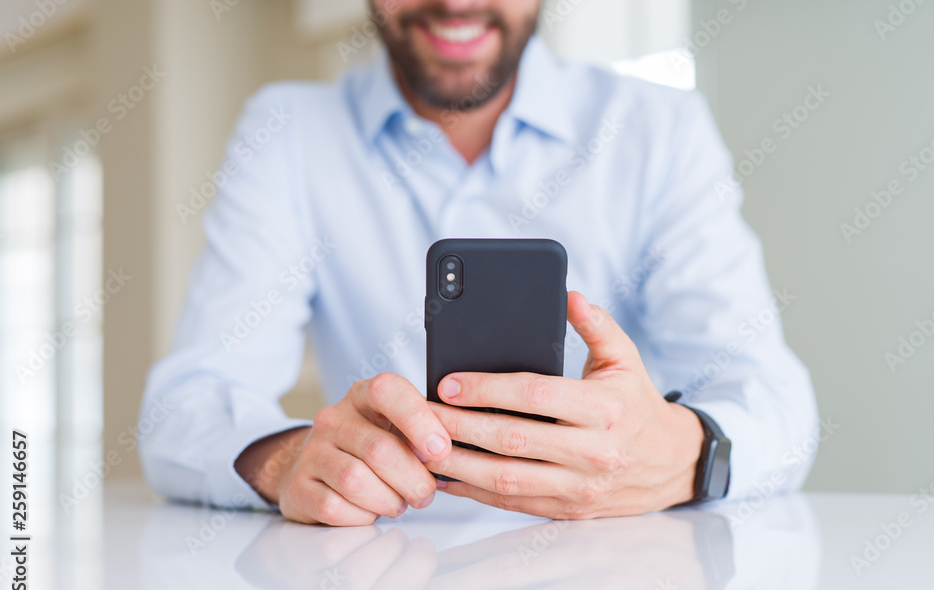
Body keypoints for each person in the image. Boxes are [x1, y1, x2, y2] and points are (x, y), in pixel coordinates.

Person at [138, 0, 818, 526]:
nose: (456, 2)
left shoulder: (658, 129)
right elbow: (184, 406)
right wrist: (287, 460)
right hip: (376, 589)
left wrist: (686, 455)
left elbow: (776, 403)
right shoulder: (289, 131)